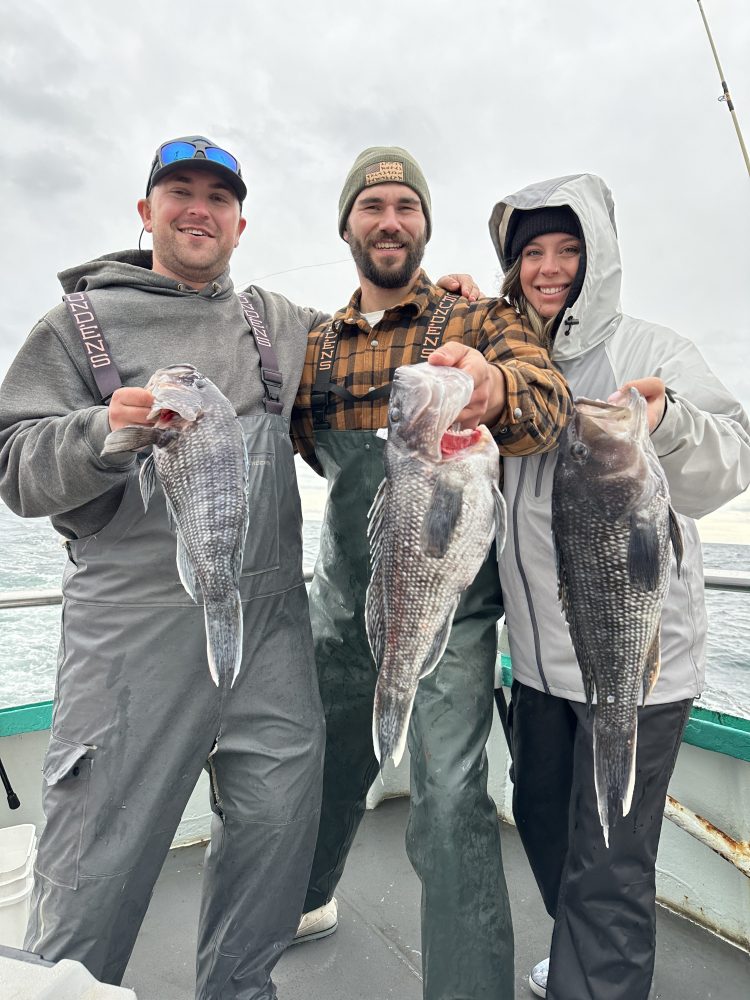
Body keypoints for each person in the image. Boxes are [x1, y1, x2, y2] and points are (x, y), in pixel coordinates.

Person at [0, 134, 333, 999]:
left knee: (273, 833)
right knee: (92, 870)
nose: (198, 208)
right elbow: (12, 463)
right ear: (144, 212)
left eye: (217, 197)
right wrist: (100, 433)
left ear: (240, 221)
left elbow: (375, 349)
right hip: (131, 642)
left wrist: (453, 310)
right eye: (178, 191)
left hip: (268, 635)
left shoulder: (277, 322)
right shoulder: (74, 324)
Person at [290, 146, 572, 1000]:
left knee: (450, 798)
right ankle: (304, 901)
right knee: (322, 766)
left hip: (451, 605)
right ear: (347, 224)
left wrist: (492, 388)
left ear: (424, 225)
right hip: (341, 603)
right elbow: (311, 453)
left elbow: (546, 395)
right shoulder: (313, 347)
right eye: (372, 205)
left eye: (406, 207)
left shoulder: (474, 319)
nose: (389, 221)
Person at [487, 172, 750, 1000]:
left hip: (638, 669)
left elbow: (732, 458)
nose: (550, 266)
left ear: (598, 258)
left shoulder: (655, 349)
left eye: (569, 249)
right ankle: (582, 955)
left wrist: (667, 418)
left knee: (608, 862)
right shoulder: (508, 359)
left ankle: (596, 978)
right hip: (534, 665)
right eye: (533, 251)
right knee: (541, 823)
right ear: (512, 263)